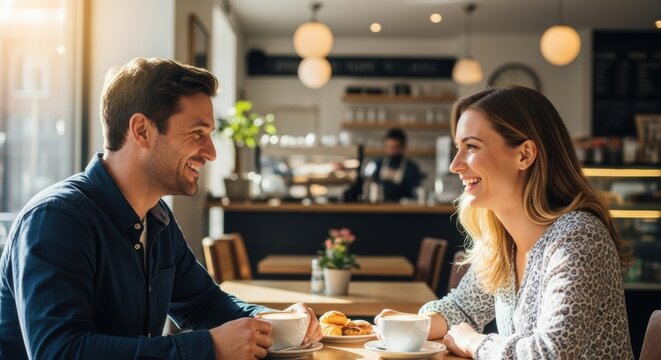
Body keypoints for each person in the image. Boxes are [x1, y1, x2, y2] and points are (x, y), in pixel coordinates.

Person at [0, 58, 321, 359]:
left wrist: (271, 319)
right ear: (141, 130)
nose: (210, 153)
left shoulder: (157, 218)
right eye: (197, 133)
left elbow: (203, 302)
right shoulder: (57, 219)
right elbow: (59, 352)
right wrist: (206, 348)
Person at [375, 87, 634, 359]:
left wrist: (475, 343)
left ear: (524, 155)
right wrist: (414, 323)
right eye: (458, 148)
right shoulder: (502, 242)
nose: (455, 165)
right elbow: (462, 309)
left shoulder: (578, 237)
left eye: (471, 147)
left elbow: (551, 354)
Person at [364, 128, 423, 202]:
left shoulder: (411, 168)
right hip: (379, 205)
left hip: (403, 208)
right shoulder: (376, 164)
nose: (390, 151)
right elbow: (366, 181)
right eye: (388, 147)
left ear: (403, 147)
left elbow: (415, 191)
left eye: (394, 147)